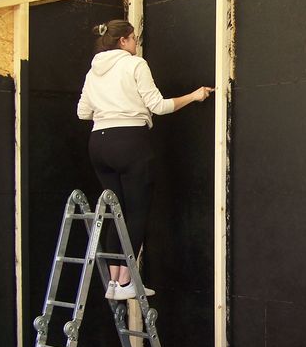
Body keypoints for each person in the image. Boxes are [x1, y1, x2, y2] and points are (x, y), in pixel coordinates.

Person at [77, 19, 214, 301]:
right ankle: (126, 280)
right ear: (123, 41)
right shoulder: (135, 64)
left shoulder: (93, 71)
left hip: (98, 144)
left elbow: (83, 113)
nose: (136, 44)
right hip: (129, 142)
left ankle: (114, 283)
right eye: (134, 39)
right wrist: (195, 96)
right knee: (136, 211)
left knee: (117, 211)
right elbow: (159, 106)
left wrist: (109, 106)